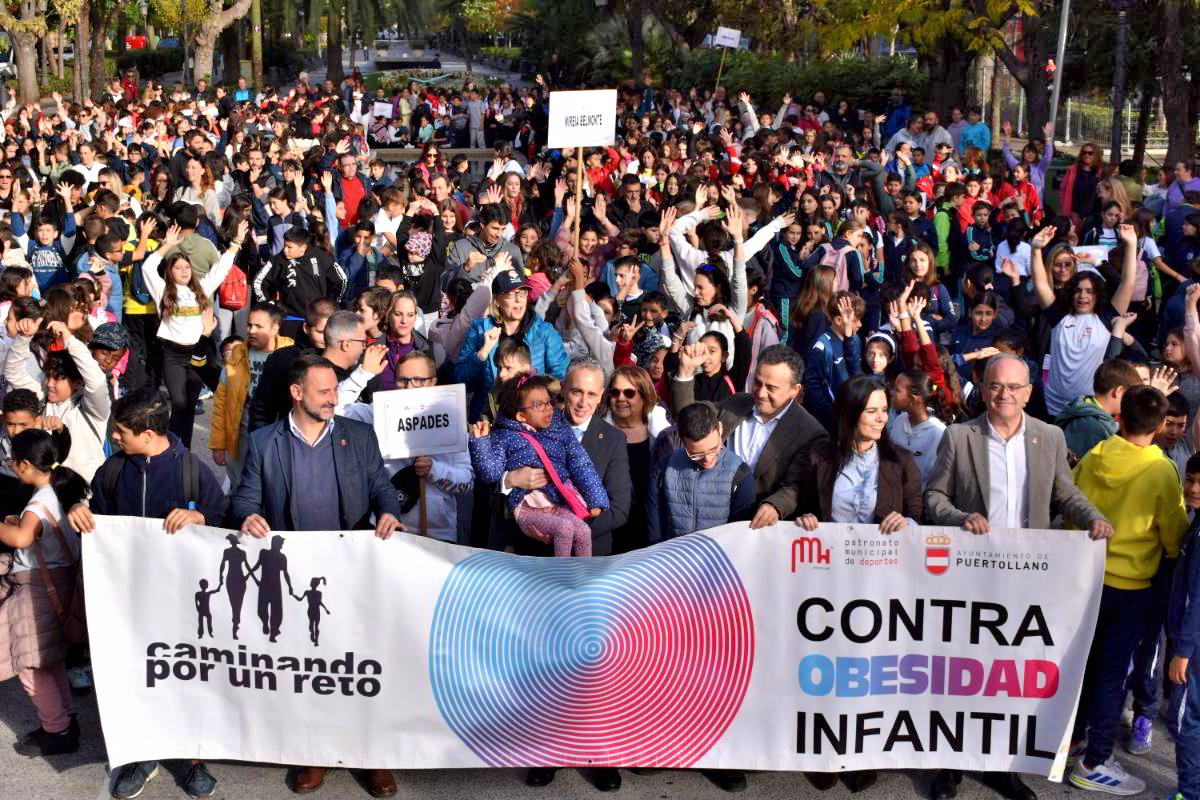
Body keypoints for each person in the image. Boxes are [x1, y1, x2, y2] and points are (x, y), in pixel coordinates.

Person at [924, 354, 1111, 800]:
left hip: (1027, 581)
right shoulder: (959, 436)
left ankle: (1002, 766)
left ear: (1029, 391)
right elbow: (933, 497)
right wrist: (960, 516)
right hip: (970, 577)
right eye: (995, 386)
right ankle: (949, 763)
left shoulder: (1049, 436)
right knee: (961, 674)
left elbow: (1065, 493)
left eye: (1014, 387)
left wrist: (1093, 517)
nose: (1004, 394)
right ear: (983, 388)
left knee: (1009, 676)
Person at [228, 353, 402, 797]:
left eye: (334, 391)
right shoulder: (265, 441)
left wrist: (388, 512)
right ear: (296, 392)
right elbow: (245, 497)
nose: (333, 399)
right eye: (324, 392)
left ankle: (372, 756)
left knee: (361, 666)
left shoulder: (357, 436)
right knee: (310, 671)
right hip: (293, 576)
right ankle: (314, 755)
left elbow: (381, 486)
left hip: (352, 570)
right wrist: (248, 516)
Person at [64, 387, 227, 800]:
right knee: (135, 678)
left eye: (121, 431)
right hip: (128, 603)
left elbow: (229, 520)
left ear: (148, 433)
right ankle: (141, 755)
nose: (114, 437)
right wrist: (81, 513)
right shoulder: (113, 471)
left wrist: (200, 515)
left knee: (187, 679)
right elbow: (96, 520)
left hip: (186, 607)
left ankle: (191, 759)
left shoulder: (193, 470)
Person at [1070, 386, 1189, 794]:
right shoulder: (1161, 470)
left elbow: (1072, 510)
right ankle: (1094, 761)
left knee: (1084, 669)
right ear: (1159, 427)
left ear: (1120, 416)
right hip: (1133, 587)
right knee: (1111, 676)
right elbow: (1174, 537)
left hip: (1086, 579)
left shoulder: (1094, 455)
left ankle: (1075, 742)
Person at [671, 344, 827, 531]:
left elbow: (794, 486)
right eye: (757, 382)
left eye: (771, 388)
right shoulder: (737, 403)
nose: (760, 393)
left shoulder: (809, 432)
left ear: (795, 390)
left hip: (757, 528)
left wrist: (775, 506)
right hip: (708, 516)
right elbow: (691, 420)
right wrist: (686, 372)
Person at [0, 428, 85, 759]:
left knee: (29, 664)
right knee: (48, 660)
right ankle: (62, 721)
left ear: (23, 465)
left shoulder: (38, 502)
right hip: (57, 583)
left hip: (36, 589)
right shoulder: (57, 491)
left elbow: (22, 538)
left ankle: (57, 730)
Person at [469, 375, 609, 557]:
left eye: (549, 402)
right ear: (521, 415)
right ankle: (562, 574)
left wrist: (595, 498)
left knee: (583, 531)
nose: (548, 409)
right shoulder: (504, 436)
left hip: (555, 502)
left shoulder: (559, 427)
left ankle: (582, 576)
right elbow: (490, 474)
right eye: (539, 405)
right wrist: (481, 443)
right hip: (526, 508)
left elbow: (580, 462)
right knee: (564, 528)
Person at [140, 220, 248, 446]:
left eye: (187, 267)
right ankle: (171, 446)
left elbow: (221, 268)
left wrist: (236, 242)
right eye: (178, 268)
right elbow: (147, 268)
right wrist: (166, 246)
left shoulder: (201, 289)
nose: (183, 271)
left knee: (188, 405)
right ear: (170, 271)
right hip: (173, 355)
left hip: (198, 354)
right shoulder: (163, 290)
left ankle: (182, 449)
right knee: (178, 403)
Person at [798, 374, 922, 533]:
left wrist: (907, 523)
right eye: (871, 411)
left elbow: (916, 514)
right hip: (830, 552)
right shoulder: (818, 457)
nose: (882, 418)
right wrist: (806, 519)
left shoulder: (901, 460)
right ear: (850, 414)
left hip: (882, 555)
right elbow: (804, 507)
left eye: (884, 410)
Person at [647, 400, 756, 543]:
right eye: (696, 454)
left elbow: (741, 534)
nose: (708, 459)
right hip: (673, 557)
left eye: (713, 449)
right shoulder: (664, 468)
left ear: (720, 429)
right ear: (682, 441)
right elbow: (654, 527)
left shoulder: (740, 474)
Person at [1168, 453, 1200, 800]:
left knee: (1184, 722)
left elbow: (1196, 599)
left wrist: (1182, 652)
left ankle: (1190, 792)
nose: (1193, 488)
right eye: (1190, 479)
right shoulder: (1196, 522)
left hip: (1191, 647)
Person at [1055, 358, 1142, 460]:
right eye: (1130, 395)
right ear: (1119, 391)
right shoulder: (1091, 426)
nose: (1132, 402)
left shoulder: (1083, 409)